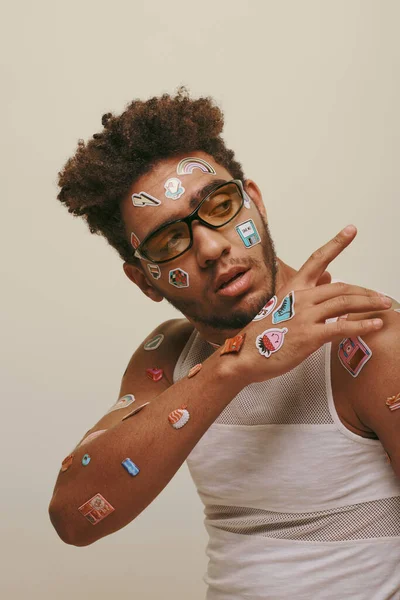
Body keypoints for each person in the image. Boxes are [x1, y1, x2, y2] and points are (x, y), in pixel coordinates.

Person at [49, 88, 400, 599]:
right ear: (144, 281)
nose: (211, 246)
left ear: (254, 202)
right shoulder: (169, 357)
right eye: (169, 241)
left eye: (220, 205)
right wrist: (236, 363)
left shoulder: (366, 339)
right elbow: (75, 518)